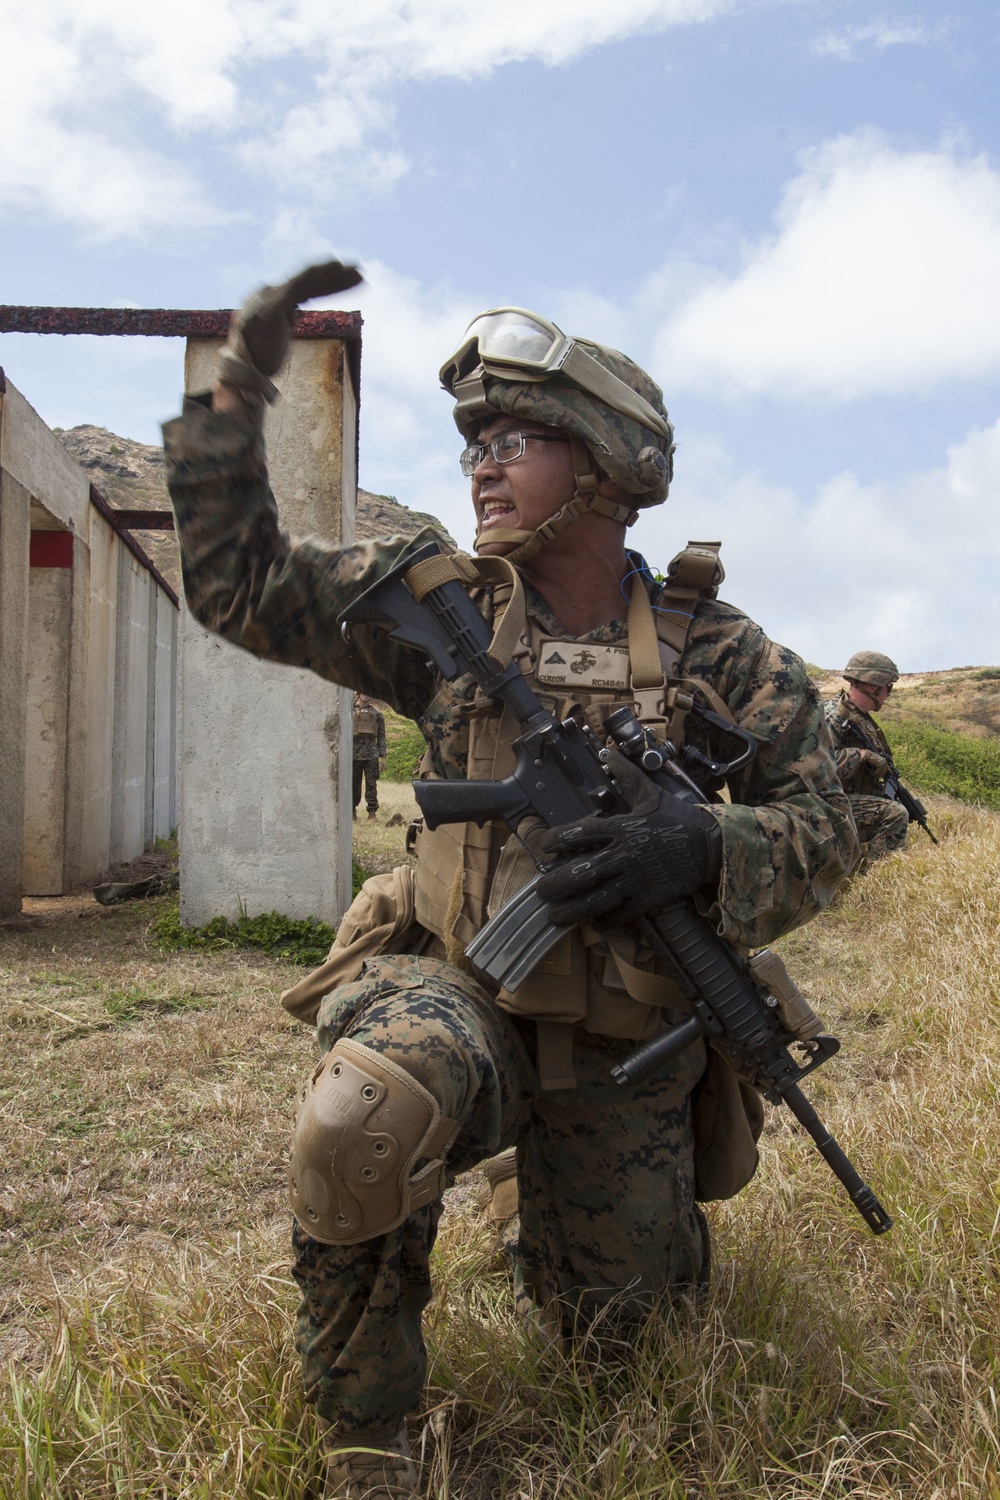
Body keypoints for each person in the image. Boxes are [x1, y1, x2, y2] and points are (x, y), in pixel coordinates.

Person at [162, 269, 858, 1499]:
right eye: (474, 442)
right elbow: (234, 586)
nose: (483, 465)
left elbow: (843, 815)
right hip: (463, 989)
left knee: (627, 1361)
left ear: (605, 466)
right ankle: (370, 1439)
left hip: (630, 1032)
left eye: (515, 440)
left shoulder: (718, 651)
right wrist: (228, 405)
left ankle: (536, 1212)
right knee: (360, 1121)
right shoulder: (438, 608)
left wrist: (703, 847)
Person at [824, 652, 909, 863]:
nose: (888, 694)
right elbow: (818, 766)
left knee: (896, 804)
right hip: (823, 803)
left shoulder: (860, 718)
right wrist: (861, 755)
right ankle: (874, 881)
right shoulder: (834, 715)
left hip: (844, 797)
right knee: (895, 814)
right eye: (888, 687)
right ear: (874, 685)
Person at [352, 692, 387, 820]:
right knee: (353, 784)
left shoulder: (377, 714)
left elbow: (381, 737)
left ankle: (372, 812)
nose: (366, 696)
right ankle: (352, 811)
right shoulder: (349, 711)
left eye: (368, 693)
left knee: (371, 784)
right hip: (354, 754)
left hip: (371, 754)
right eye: (363, 693)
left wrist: (383, 756)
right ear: (358, 694)